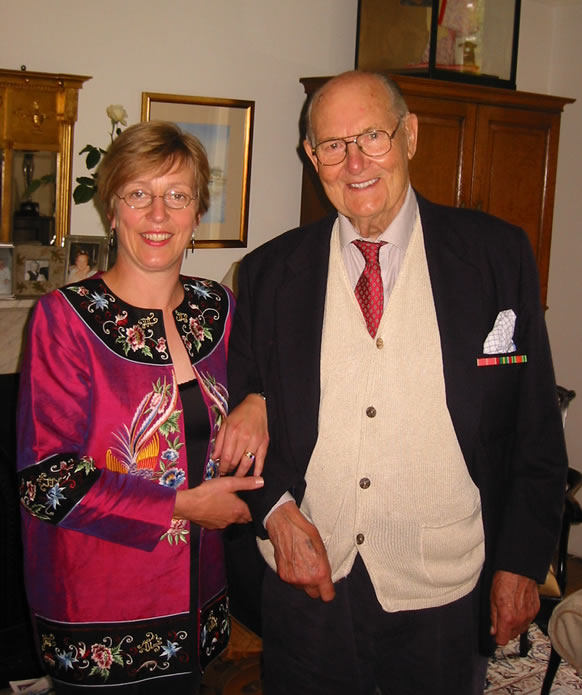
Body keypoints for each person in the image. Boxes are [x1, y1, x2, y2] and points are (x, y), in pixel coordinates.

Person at [226, 71, 569, 695]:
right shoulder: (270, 273)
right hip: (308, 583)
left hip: (442, 586)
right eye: (333, 145)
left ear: (409, 135)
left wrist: (521, 561)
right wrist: (274, 512)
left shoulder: (495, 256)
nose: (354, 161)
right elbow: (241, 415)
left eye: (372, 137)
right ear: (312, 157)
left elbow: (533, 427)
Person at [16, 121, 268, 694]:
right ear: (112, 211)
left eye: (177, 196)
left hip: (198, 611)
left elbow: (271, 383)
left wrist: (260, 400)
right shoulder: (65, 319)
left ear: (196, 214)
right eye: (139, 194)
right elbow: (47, 482)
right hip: (99, 617)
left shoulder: (220, 308)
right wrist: (185, 505)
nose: (158, 214)